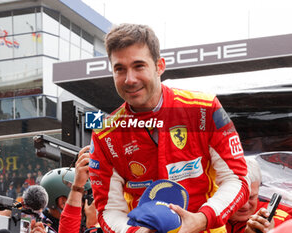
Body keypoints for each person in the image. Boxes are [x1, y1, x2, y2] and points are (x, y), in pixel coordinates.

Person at [89, 23, 249, 233]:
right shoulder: (105, 135)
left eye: (139, 66)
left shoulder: (205, 109)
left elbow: (236, 179)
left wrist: (202, 219)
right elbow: (109, 210)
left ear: (159, 66)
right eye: (120, 69)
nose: (130, 79)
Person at [226, 156, 292, 233]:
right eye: (238, 198)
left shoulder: (282, 220)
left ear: (258, 190)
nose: (245, 206)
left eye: (251, 197)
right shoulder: (210, 216)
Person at [40, 145, 97, 233]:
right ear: (63, 202)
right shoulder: (43, 230)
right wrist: (92, 227)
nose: (87, 204)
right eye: (83, 198)